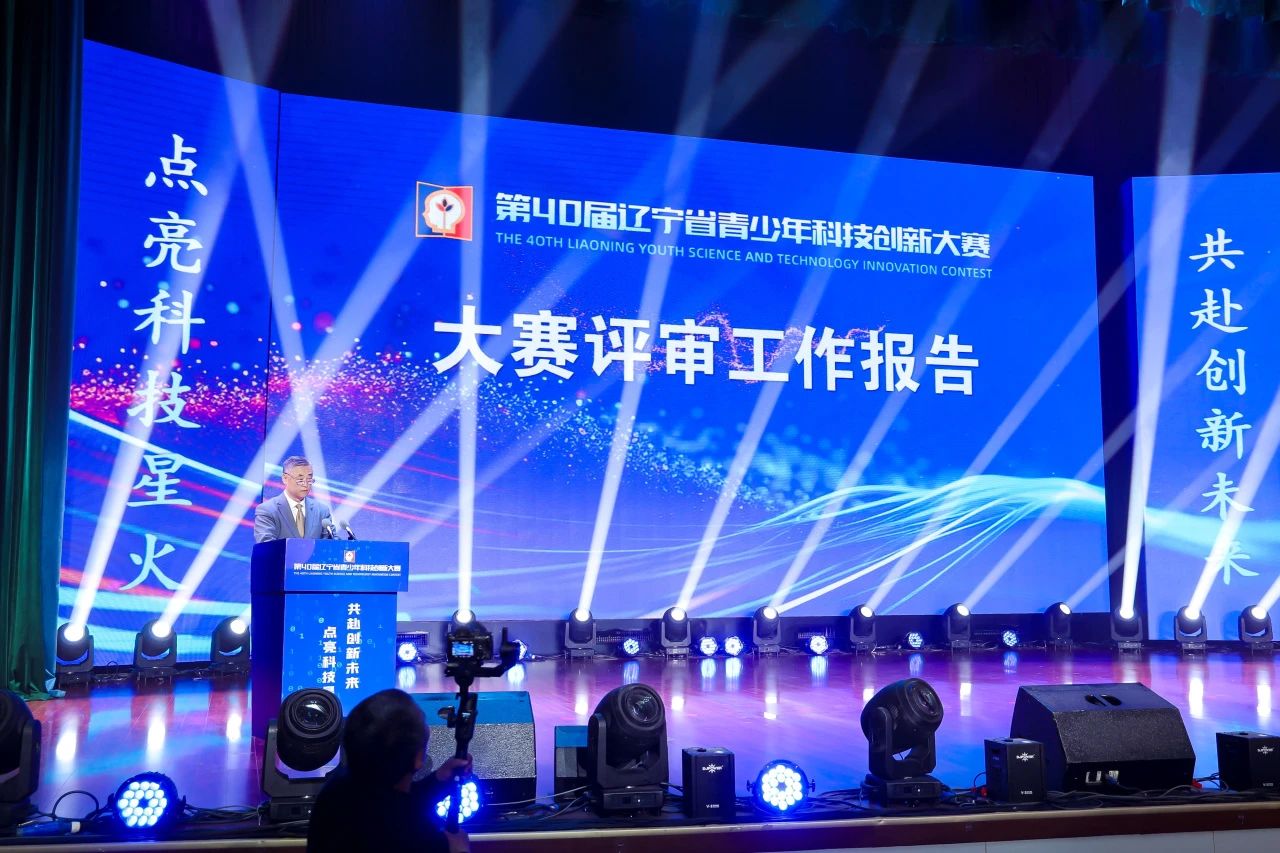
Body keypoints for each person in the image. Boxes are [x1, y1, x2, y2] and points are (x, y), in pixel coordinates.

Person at [307, 689, 472, 853]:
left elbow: (394, 803)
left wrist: (438, 780)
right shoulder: (416, 835)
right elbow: (399, 816)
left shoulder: (334, 793)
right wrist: (459, 849)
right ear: (418, 759)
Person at [254, 455, 335, 543]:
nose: (305, 484)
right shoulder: (267, 510)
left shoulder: (322, 511)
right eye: (300, 480)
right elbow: (266, 545)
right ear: (285, 478)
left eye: (309, 479)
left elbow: (332, 543)